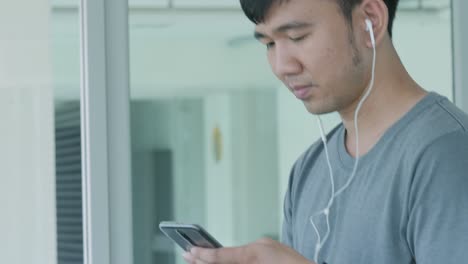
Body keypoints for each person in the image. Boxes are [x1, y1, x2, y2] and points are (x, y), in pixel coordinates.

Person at [183, 0, 468, 263]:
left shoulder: (446, 153)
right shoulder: (308, 170)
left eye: (297, 37)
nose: (282, 66)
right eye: (269, 44)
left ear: (371, 20)